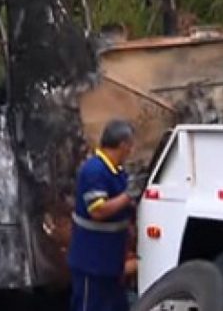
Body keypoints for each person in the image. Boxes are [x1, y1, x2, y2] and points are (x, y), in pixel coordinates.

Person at [68, 119, 142, 311]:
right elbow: (98, 211)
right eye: (131, 145)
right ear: (123, 145)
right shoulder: (94, 170)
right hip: (91, 262)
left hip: (110, 263)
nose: (132, 150)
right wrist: (128, 196)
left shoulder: (116, 171)